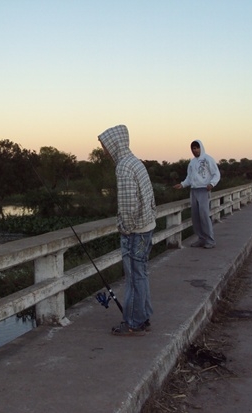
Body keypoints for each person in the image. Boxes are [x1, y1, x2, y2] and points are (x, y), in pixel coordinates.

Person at [98, 125, 157, 336]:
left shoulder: (122, 167)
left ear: (114, 144)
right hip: (147, 228)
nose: (105, 151)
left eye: (105, 146)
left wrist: (126, 230)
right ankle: (143, 316)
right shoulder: (136, 162)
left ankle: (132, 322)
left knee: (133, 277)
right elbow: (150, 199)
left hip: (135, 233)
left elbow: (128, 206)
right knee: (141, 274)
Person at [173, 140, 221, 249]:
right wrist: (182, 185)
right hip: (194, 190)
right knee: (195, 216)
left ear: (201, 148)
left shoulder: (208, 159)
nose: (195, 150)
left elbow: (216, 174)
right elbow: (189, 178)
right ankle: (201, 238)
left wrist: (212, 184)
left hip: (204, 190)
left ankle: (210, 240)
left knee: (204, 215)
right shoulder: (192, 162)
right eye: (193, 149)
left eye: (196, 148)